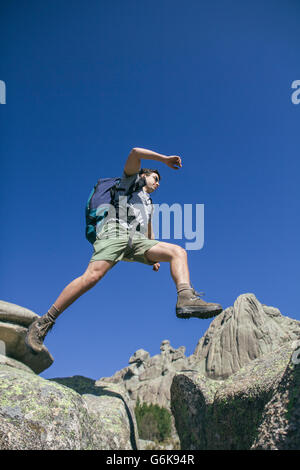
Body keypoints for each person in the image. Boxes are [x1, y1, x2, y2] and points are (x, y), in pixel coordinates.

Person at [25, 147, 223, 354]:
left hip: (136, 241)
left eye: (159, 181)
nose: (157, 183)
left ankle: (186, 298)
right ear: (143, 175)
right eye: (155, 178)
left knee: (178, 252)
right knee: (92, 277)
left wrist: (154, 257)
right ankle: (43, 323)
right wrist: (164, 160)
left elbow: (148, 234)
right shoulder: (129, 182)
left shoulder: (149, 205)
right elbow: (135, 152)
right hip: (114, 231)